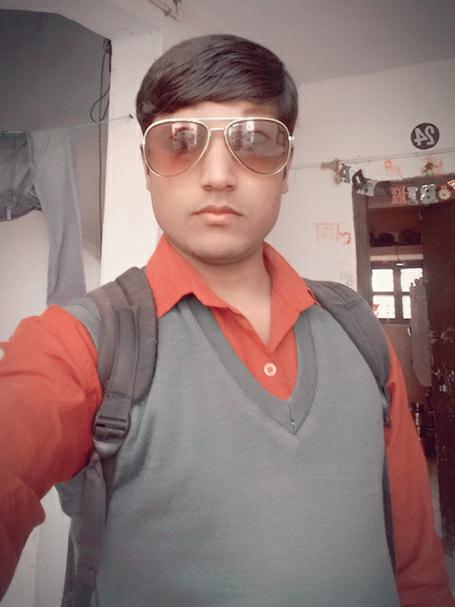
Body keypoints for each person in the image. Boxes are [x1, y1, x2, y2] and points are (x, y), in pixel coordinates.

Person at [0, 34, 453, 607]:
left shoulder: (356, 327)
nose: (218, 175)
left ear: (285, 168)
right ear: (147, 168)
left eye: (255, 141)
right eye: (180, 142)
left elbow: (416, 568)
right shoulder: (79, 343)